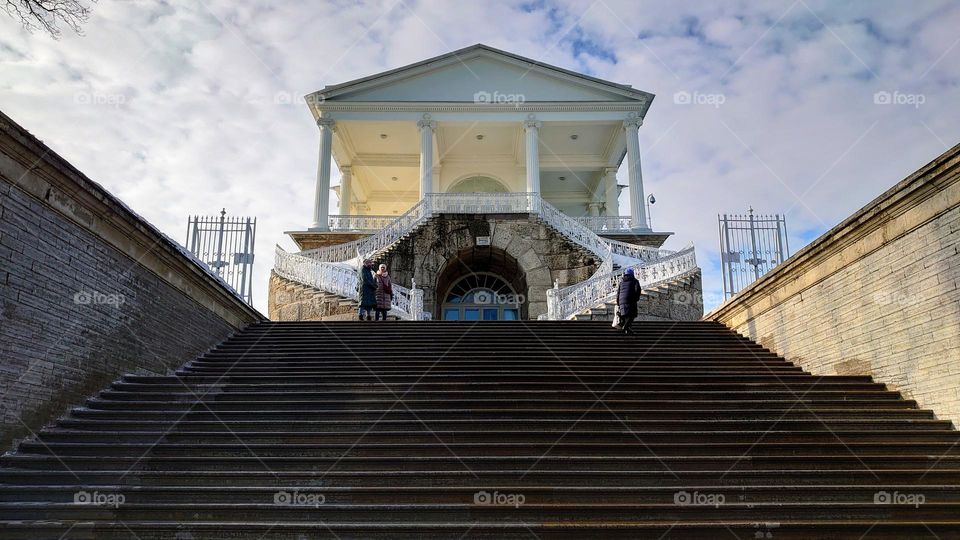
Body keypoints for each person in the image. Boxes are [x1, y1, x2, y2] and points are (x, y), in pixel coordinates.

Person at [615, 268, 641, 334]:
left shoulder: (621, 282)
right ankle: (625, 327)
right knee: (632, 315)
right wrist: (636, 298)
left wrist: (618, 302)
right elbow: (637, 290)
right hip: (631, 300)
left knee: (625, 315)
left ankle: (628, 329)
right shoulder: (635, 281)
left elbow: (618, 293)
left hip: (621, 301)